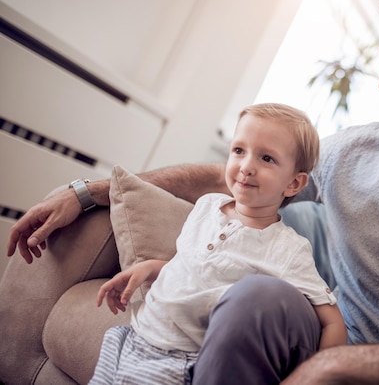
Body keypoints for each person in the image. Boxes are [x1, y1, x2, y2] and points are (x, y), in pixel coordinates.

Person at [6, 0, 379, 385]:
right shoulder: (354, 149)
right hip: (306, 341)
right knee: (258, 295)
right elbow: (236, 179)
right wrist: (88, 192)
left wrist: (337, 365)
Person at [89, 103, 347, 384]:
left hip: (178, 360)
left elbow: (333, 321)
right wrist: (149, 269)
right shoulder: (206, 206)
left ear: (294, 184)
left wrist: (316, 374)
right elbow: (197, 270)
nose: (247, 166)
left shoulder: (287, 249)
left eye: (267, 159)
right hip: (132, 337)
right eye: (239, 150)